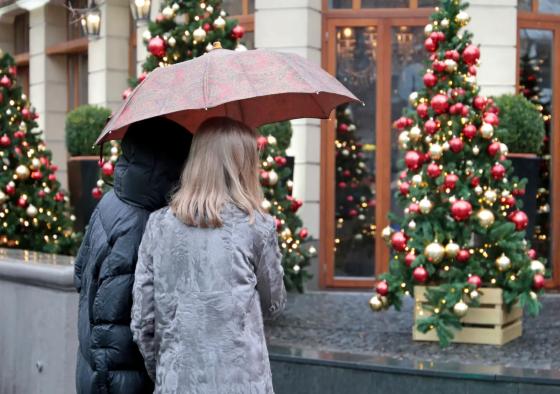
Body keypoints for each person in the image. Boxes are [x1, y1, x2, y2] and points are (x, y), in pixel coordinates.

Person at [131, 116, 287, 393]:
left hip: (177, 381)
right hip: (241, 382)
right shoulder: (256, 227)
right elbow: (273, 304)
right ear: (245, 168)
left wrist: (165, 371)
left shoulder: (158, 225)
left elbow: (143, 319)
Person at [73, 117, 193, 394]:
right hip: (121, 376)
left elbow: (79, 273)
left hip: (92, 365)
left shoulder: (109, 201)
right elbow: (146, 317)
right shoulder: (147, 223)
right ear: (170, 163)